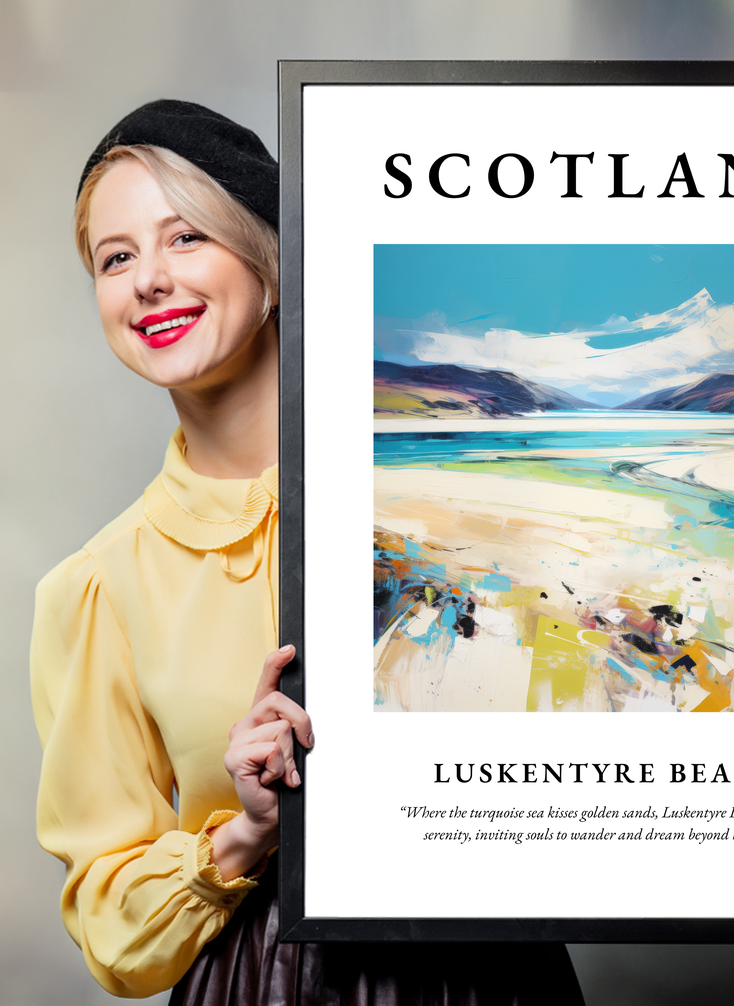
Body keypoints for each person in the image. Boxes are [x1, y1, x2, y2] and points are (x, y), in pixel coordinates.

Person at [30, 100, 585, 1004]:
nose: (148, 281)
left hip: (493, 973)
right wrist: (245, 832)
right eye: (116, 257)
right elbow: (110, 924)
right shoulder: (97, 587)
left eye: (186, 239)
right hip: (263, 982)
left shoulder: (455, 508)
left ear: (273, 264)